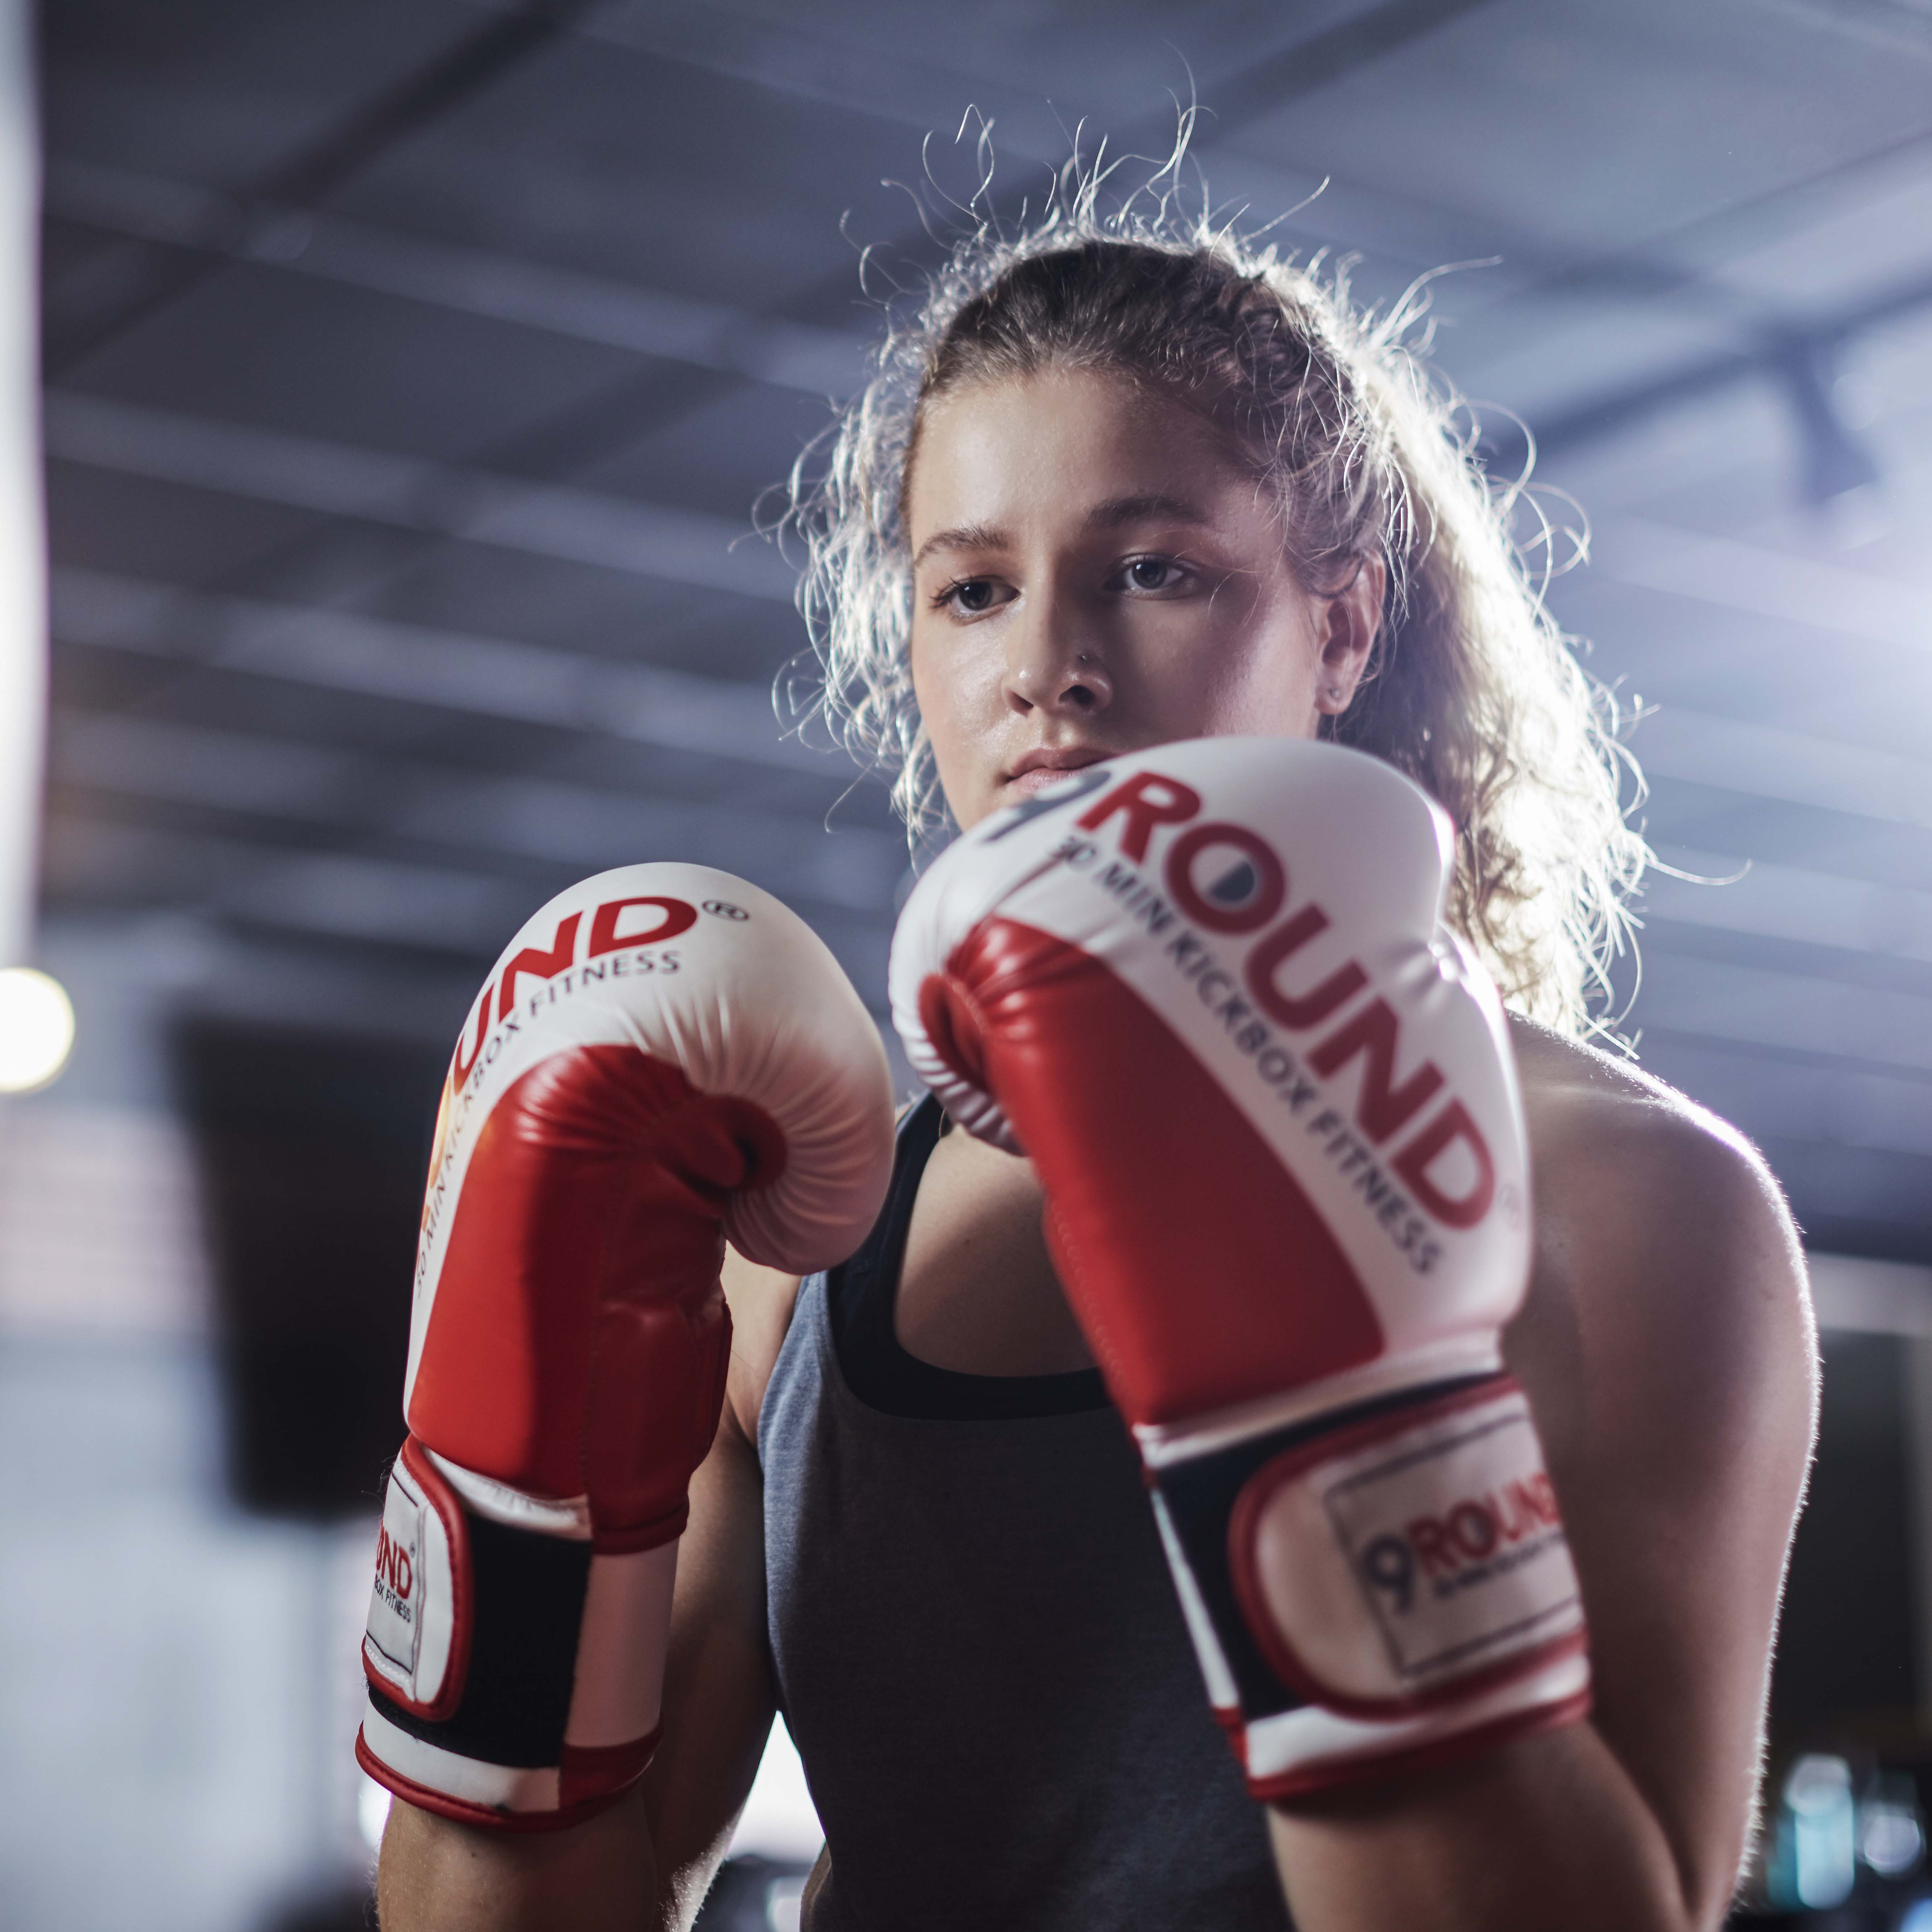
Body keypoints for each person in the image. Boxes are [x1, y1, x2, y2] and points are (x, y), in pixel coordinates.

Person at [375, 177, 1817, 1932]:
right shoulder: (788, 1258)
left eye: (1153, 571)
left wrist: (1318, 1373)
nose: (1046, 667)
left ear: (1342, 628)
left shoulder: (1626, 1197)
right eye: (972, 590)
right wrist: (500, 1522)